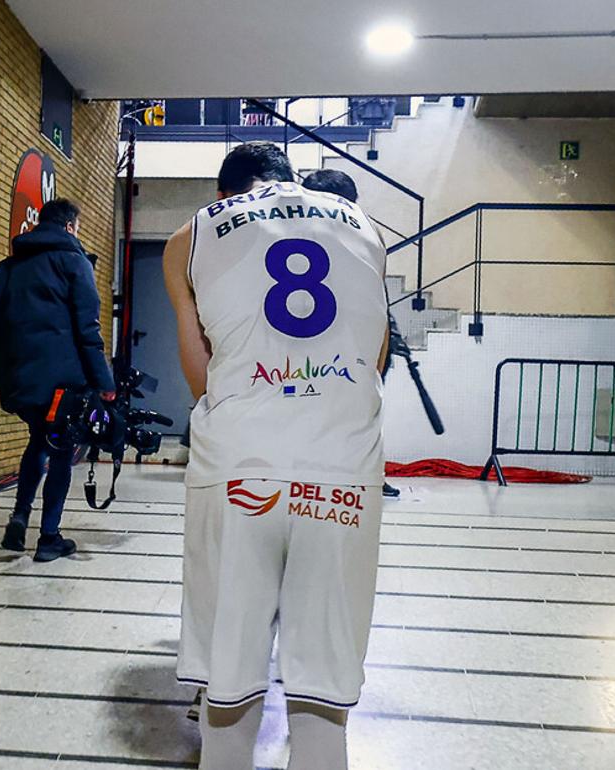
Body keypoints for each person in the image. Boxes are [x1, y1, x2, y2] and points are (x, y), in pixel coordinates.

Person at [164, 142, 389, 770]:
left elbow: (199, 375)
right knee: (324, 697)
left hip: (239, 469)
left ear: (224, 192)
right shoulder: (365, 227)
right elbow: (376, 361)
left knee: (230, 687)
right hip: (343, 470)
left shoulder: (192, 234)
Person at [0, 198, 116, 561]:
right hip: (62, 383)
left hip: (18, 378)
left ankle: (20, 517)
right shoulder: (75, 263)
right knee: (62, 451)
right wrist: (104, 381)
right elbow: (88, 328)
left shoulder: (7, 268)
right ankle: (48, 536)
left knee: (39, 440)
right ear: (70, 226)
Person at [301, 168, 401, 499]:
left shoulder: (290, 229)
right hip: (348, 342)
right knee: (359, 414)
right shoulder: (368, 234)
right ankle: (364, 473)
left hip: (306, 342)